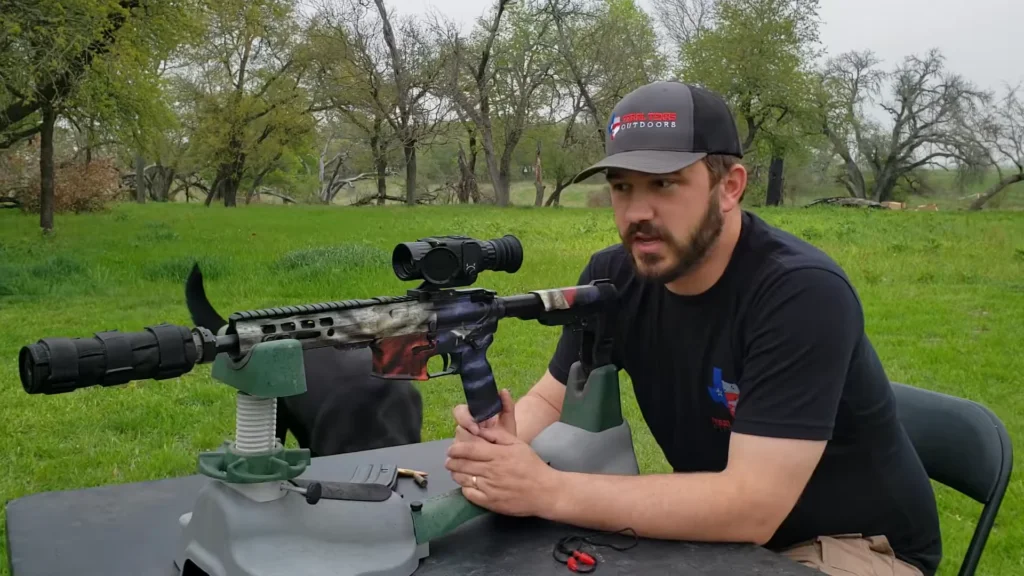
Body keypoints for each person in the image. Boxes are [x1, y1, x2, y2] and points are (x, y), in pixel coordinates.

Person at [443, 80, 943, 576]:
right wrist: (500, 447)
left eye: (663, 184)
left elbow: (751, 507)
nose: (637, 213)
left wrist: (544, 490)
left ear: (729, 187)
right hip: (727, 541)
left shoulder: (801, 293)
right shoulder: (614, 277)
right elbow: (553, 400)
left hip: (850, 546)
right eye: (622, 187)